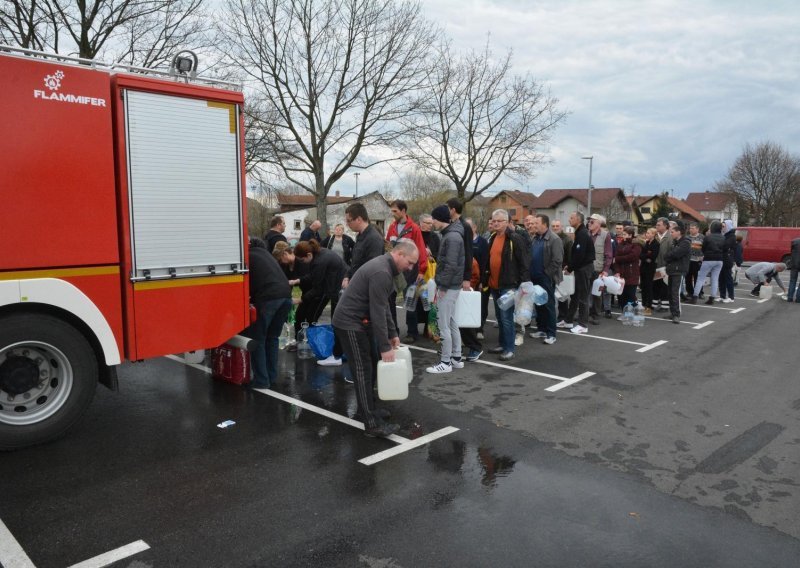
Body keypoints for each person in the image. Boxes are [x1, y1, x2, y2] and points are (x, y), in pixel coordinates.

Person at [333, 240, 419, 438]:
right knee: (363, 370)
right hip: (349, 323)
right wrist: (384, 346)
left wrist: (393, 334)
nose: (411, 268)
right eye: (410, 262)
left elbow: (384, 306)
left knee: (370, 364)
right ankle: (371, 424)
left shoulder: (387, 269)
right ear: (399, 254)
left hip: (360, 322)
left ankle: (368, 409)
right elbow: (377, 311)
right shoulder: (381, 271)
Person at [244, 237, 292, 389]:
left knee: (257, 339)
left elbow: (245, 284)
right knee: (272, 338)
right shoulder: (266, 255)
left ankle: (261, 380)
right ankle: (271, 376)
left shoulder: (247, 257)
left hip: (268, 299)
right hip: (286, 297)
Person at [483, 209, 531, 361]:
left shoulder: (515, 239)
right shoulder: (491, 237)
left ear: (507, 222)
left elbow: (524, 262)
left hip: (508, 285)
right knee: (499, 316)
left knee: (506, 318)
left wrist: (523, 284)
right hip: (494, 284)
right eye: (494, 221)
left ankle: (509, 349)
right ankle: (502, 344)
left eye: (499, 221)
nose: (495, 223)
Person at [292, 240, 348, 366]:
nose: (302, 263)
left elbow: (318, 289)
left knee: (338, 322)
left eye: (302, 260)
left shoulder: (319, 261)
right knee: (338, 322)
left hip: (339, 290)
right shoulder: (320, 253)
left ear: (308, 255)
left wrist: (300, 300)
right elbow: (313, 276)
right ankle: (339, 352)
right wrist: (297, 281)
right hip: (338, 287)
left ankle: (337, 355)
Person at [426, 205, 465, 373]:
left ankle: (446, 362)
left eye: (433, 219)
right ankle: (456, 358)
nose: (431, 223)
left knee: (444, 325)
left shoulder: (452, 237)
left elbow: (450, 265)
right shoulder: (451, 235)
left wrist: (442, 285)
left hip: (448, 286)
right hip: (452, 285)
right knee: (451, 321)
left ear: (439, 219)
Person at [386, 200, 428, 337]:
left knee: (410, 301)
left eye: (395, 211)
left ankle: (412, 333)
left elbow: (421, 249)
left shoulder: (414, 228)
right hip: (394, 269)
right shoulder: (392, 227)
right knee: (389, 299)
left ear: (403, 211)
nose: (392, 214)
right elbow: (388, 247)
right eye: (391, 211)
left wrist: (422, 270)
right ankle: (394, 332)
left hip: (410, 271)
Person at [528, 214, 562, 345]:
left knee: (548, 305)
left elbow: (557, 260)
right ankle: (541, 329)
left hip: (546, 278)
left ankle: (551, 333)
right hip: (534, 277)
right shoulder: (535, 238)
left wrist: (546, 274)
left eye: (536, 223)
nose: (534, 225)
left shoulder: (554, 239)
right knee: (538, 304)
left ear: (544, 224)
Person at [560, 211, 594, 334]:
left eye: (571, 217)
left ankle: (583, 325)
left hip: (584, 269)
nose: (569, 220)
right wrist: (570, 266)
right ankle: (568, 320)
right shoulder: (579, 233)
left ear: (578, 220)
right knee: (575, 296)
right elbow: (576, 255)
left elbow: (580, 256)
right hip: (580, 268)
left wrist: (570, 268)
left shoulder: (583, 234)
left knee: (583, 297)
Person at [343, 202, 385, 288]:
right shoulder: (360, 236)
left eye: (348, 221)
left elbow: (373, 270)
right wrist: (347, 276)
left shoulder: (374, 239)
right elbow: (356, 262)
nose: (347, 224)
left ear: (358, 219)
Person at [689, 220, 724, 304]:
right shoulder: (723, 237)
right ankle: (712, 298)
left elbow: (703, 248)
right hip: (719, 260)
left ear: (712, 228)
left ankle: (694, 297)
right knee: (715, 279)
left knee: (700, 278)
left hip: (708, 259)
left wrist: (706, 254)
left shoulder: (708, 237)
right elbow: (725, 249)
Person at [587, 213, 613, 322]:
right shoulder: (586, 234)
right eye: (589, 221)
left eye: (592, 221)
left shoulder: (605, 235)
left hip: (598, 269)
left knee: (597, 293)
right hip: (586, 268)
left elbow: (609, 254)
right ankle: (585, 313)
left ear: (598, 223)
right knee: (584, 292)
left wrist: (606, 270)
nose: (589, 223)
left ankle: (596, 315)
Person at [664, 221, 691, 324]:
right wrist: (669, 256)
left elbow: (675, 254)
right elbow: (668, 255)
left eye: (672, 232)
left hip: (678, 270)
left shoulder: (685, 242)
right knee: (670, 292)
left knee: (675, 293)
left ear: (679, 232)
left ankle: (676, 314)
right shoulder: (676, 242)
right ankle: (672, 312)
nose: (671, 234)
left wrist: (669, 256)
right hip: (672, 269)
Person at [468, 217, 490, 339]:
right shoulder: (463, 240)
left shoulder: (482, 242)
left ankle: (479, 329)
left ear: (475, 228)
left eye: (469, 227)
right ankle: (468, 330)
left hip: (479, 280)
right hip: (467, 280)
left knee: (481, 305)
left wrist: (482, 281)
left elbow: (485, 263)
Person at [612, 226, 642, 314]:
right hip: (621, 274)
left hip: (632, 274)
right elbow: (615, 259)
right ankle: (624, 313)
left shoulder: (636, 244)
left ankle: (634, 310)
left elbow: (632, 256)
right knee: (621, 295)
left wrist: (618, 259)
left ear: (630, 235)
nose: (623, 236)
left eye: (624, 234)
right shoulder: (620, 244)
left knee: (630, 295)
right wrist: (617, 271)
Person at [639, 227, 659, 315]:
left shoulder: (656, 244)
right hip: (643, 267)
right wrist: (646, 256)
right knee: (643, 286)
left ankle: (649, 305)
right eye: (646, 233)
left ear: (653, 234)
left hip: (650, 268)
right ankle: (643, 304)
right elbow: (641, 255)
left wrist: (646, 256)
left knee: (649, 286)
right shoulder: (646, 242)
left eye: (648, 233)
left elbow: (653, 256)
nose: (646, 234)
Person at [653, 217, 672, 312]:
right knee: (656, 286)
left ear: (665, 226)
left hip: (665, 267)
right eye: (656, 224)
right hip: (655, 266)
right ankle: (654, 304)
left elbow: (672, 252)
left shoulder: (670, 237)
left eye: (659, 225)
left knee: (665, 287)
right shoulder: (654, 235)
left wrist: (668, 265)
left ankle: (665, 306)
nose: (656, 226)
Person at [718, 219, 737, 303]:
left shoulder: (731, 236)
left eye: (723, 226)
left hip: (727, 260)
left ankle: (731, 297)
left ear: (728, 226)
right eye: (722, 226)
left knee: (728, 278)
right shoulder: (724, 235)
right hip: (722, 259)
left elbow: (725, 246)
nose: (722, 228)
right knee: (721, 278)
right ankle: (722, 296)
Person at [685, 222, 704, 300]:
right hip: (688, 261)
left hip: (698, 261)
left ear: (697, 229)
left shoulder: (702, 237)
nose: (690, 230)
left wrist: (703, 256)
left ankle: (699, 293)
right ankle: (690, 292)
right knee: (688, 278)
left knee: (698, 277)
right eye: (690, 228)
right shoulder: (687, 237)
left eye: (692, 228)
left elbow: (706, 247)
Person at [787, 237, 800, 302]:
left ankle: (790, 297)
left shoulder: (794, 241)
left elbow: (791, 252)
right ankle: (798, 299)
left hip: (794, 263)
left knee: (792, 280)